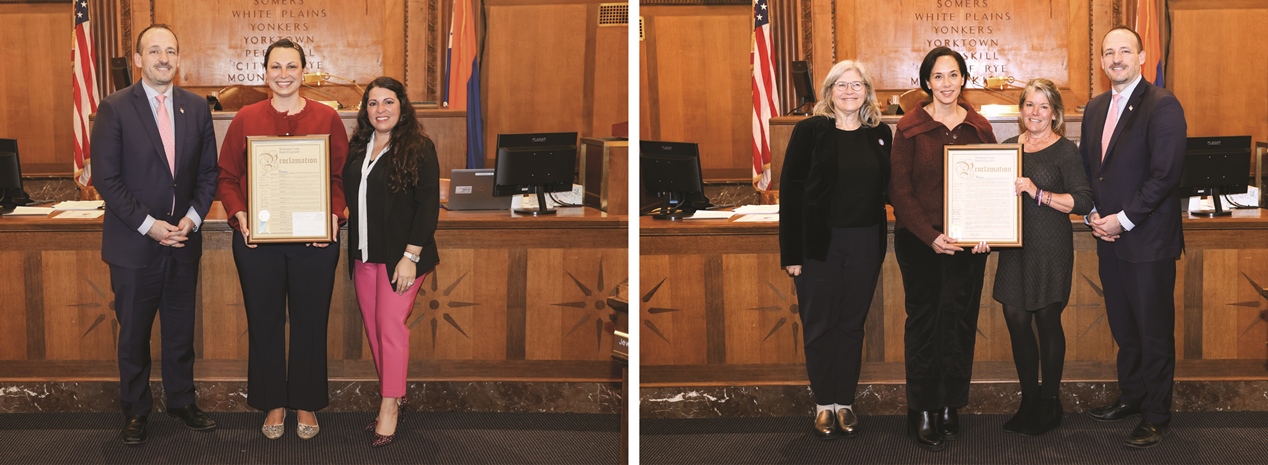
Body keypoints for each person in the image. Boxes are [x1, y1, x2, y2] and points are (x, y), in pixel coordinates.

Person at [91, 24, 220, 445]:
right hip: (134, 244)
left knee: (181, 332)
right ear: (138, 59)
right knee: (134, 335)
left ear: (178, 59)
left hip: (183, 242)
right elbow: (107, 180)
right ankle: (136, 409)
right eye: (154, 51)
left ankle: (182, 400)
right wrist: (150, 226)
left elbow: (207, 174)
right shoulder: (114, 108)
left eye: (170, 51)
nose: (163, 58)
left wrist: (193, 219)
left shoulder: (197, 108)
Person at [217, 38, 348, 441]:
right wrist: (240, 216)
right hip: (258, 242)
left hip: (315, 243)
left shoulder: (327, 118)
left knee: (310, 321)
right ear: (265, 73)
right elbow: (225, 176)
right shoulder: (245, 118)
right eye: (276, 67)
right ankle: (272, 401)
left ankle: (306, 401)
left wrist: (332, 217)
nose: (284, 74)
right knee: (265, 321)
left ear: (303, 72)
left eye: (292, 66)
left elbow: (341, 177)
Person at [1080, 26, 1187, 449]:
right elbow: (1091, 171)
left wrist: (1122, 220)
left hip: (1147, 240)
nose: (1116, 58)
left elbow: (1165, 176)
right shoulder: (1094, 107)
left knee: (1154, 330)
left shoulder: (1162, 106)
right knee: (1125, 327)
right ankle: (1132, 397)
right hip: (1108, 239)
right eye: (1109, 52)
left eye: (1125, 51)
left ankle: (1158, 414)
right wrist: (1091, 212)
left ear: (1142, 58)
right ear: (1102, 61)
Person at [888, 46, 995, 451]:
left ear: (963, 79)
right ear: (926, 82)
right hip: (922, 244)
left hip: (969, 245)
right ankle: (923, 408)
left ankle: (952, 402)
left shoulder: (980, 128)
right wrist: (930, 235)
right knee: (925, 325)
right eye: (938, 76)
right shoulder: (910, 127)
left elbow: (993, 186)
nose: (946, 84)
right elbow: (899, 189)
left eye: (953, 75)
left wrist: (988, 229)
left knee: (961, 323)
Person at [779, 60, 891, 440]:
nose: (848, 91)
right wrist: (791, 254)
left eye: (856, 85)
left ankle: (845, 402)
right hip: (817, 246)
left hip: (865, 244)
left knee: (851, 326)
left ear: (867, 92)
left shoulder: (880, 134)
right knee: (819, 326)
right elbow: (791, 195)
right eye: (840, 85)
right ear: (828, 92)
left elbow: (893, 189)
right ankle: (823, 404)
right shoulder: (810, 131)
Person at [986, 79, 1093, 436]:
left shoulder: (1065, 150)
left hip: (1050, 245)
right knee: (1016, 321)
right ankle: (1029, 399)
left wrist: (1038, 192)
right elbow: (987, 200)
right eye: (1029, 105)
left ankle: (1050, 400)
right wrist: (980, 229)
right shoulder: (1004, 149)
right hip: (1015, 249)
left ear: (1055, 114)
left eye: (1043, 106)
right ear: (1020, 111)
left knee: (1047, 320)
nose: (1035, 113)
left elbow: (1082, 201)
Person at [342, 76, 440, 448]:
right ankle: (395, 393)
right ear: (365, 110)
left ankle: (389, 407)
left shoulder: (418, 147)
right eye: (372, 103)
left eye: (388, 102)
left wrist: (411, 256)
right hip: (366, 255)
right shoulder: (359, 147)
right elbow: (352, 196)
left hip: (402, 258)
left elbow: (427, 205)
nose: (380, 110)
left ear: (402, 106)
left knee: (390, 326)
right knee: (374, 329)